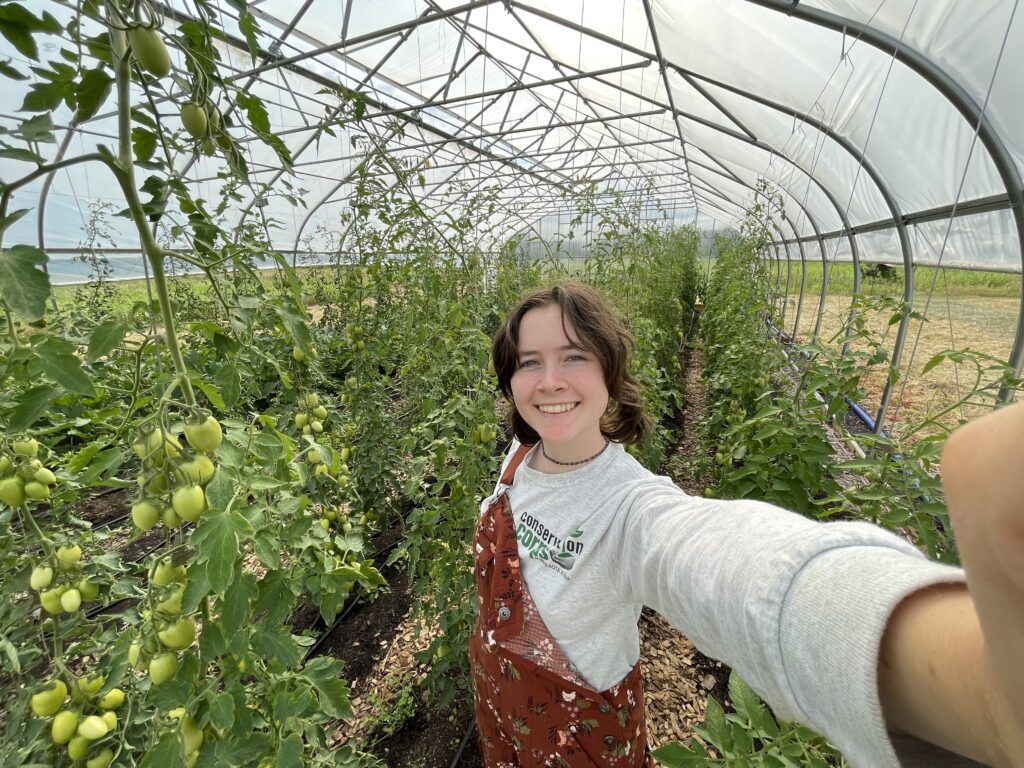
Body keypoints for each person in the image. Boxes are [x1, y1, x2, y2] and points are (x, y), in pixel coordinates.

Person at [468, 281, 1024, 768]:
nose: (549, 382)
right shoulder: (521, 453)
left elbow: (731, 564)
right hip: (497, 698)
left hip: (579, 730)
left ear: (610, 371)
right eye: (529, 361)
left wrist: (965, 680)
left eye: (573, 357)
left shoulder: (632, 506)